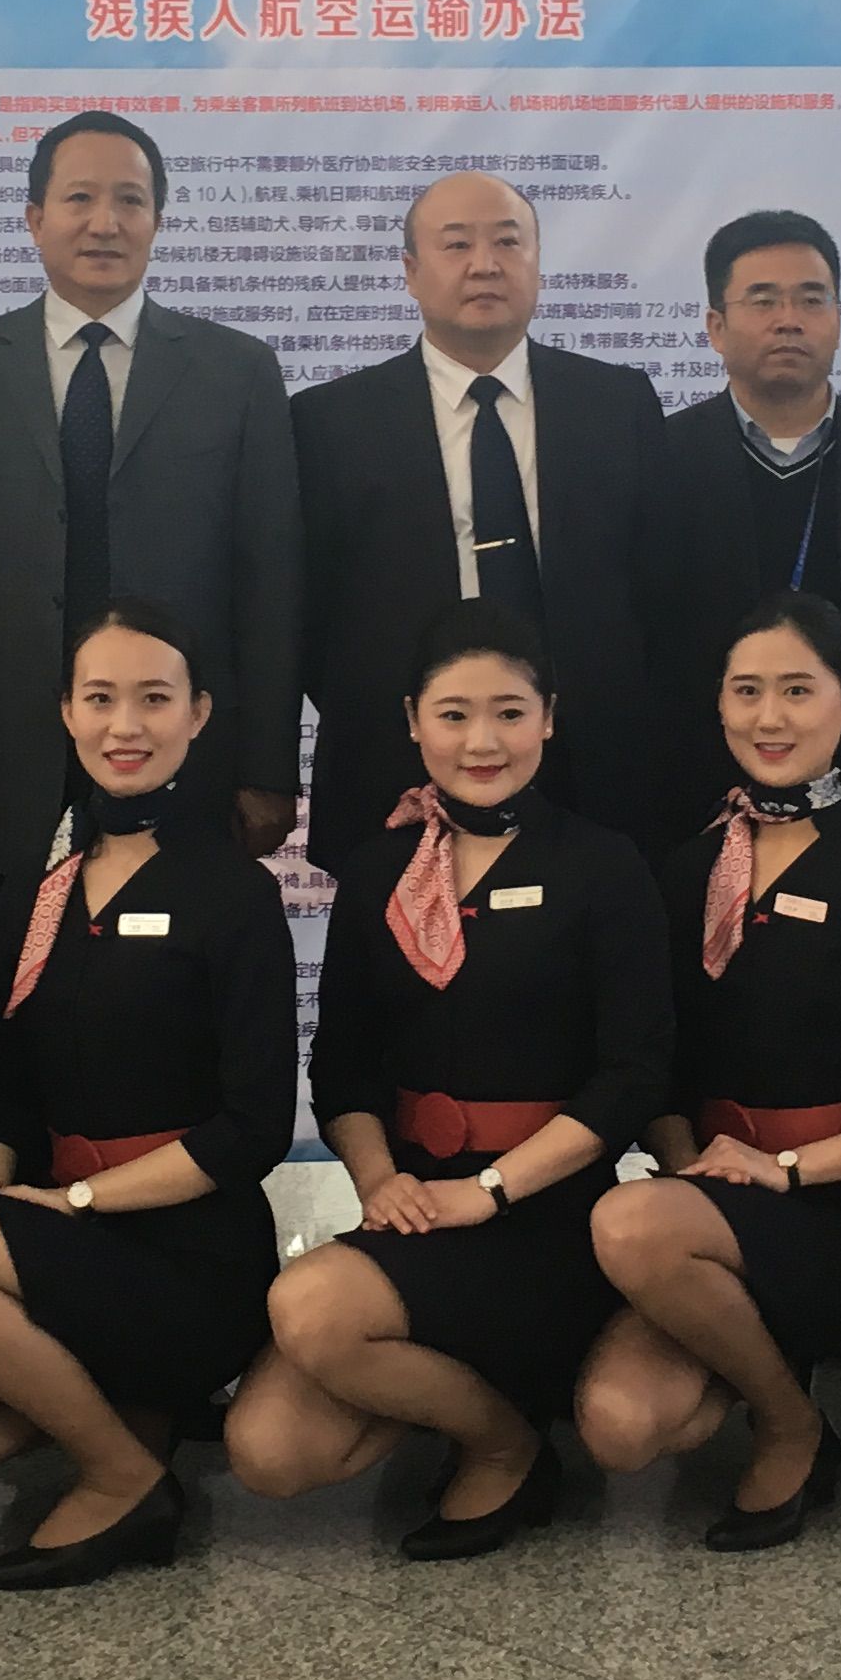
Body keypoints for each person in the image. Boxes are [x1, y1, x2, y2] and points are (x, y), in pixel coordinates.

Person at [0, 598, 295, 1589]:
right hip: (56, 1235)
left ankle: (120, 1475)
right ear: (66, 712)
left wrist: (76, 1203)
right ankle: (124, 1418)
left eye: (154, 699)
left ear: (199, 714)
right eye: (100, 698)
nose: (126, 725)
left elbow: (253, 1128)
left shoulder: (236, 892)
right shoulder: (40, 889)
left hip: (189, 1253)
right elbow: (0, 1081)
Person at [225, 600, 670, 1558]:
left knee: (312, 1308)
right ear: (412, 721)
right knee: (269, 1451)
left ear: (549, 718)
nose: (482, 742)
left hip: (552, 1215)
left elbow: (633, 1075)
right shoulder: (377, 869)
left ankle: (503, 1450)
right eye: (454, 713)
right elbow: (343, 1064)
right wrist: (380, 1180)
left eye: (510, 712)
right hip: (417, 1207)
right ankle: (496, 1424)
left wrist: (492, 1190)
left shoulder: (603, 864)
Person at [576, 593, 841, 1549]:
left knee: (631, 1227)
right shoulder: (686, 872)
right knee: (619, 1428)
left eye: (798, 690)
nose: (770, 717)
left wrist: (787, 1171)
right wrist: (690, 1165)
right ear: (717, 703)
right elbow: (654, 1067)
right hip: (709, 1194)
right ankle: (789, 1403)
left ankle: (785, 1427)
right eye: (747, 691)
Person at [0, 111, 302, 927]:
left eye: (130, 200)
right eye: (79, 198)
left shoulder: (236, 371)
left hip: (184, 759)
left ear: (158, 219)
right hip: (6, 759)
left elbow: (270, 582)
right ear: (35, 218)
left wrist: (267, 766)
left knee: (175, 983)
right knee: (17, 986)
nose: (105, 222)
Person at [292, 170, 672, 871]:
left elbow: (657, 589)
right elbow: (310, 616)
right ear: (411, 271)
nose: (485, 264)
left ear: (537, 261)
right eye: (457, 244)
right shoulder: (331, 421)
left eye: (507, 242)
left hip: (596, 769)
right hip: (400, 767)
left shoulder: (616, 403)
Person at [646, 211, 841, 841]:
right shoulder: (658, 460)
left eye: (812, 300)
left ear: (838, 320)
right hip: (695, 782)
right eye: (763, 300)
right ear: (715, 326)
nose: (789, 319)